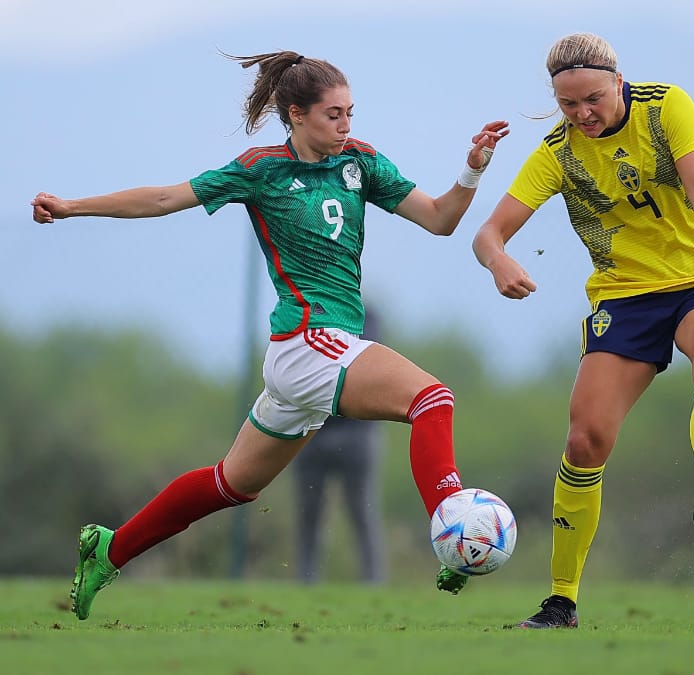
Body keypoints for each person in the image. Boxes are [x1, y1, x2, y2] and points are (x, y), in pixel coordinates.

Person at [31, 50, 509, 620]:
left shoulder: (360, 162)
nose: (346, 126)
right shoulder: (261, 169)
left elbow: (440, 219)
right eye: (334, 115)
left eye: (351, 113)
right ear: (296, 114)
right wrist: (71, 206)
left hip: (311, 357)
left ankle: (110, 549)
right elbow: (163, 199)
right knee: (432, 399)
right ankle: (451, 535)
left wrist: (472, 169)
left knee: (229, 486)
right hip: (310, 344)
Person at [469, 33, 694, 628]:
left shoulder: (667, 108)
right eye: (569, 105)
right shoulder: (557, 153)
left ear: (618, 81)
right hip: (625, 298)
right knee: (585, 442)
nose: (583, 115)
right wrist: (500, 262)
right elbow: (488, 233)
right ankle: (561, 601)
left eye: (593, 99)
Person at [292, 308, 385, 584]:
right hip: (310, 430)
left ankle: (373, 583)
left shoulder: (368, 316)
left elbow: (361, 366)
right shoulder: (302, 312)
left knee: (362, 511)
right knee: (309, 513)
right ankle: (306, 581)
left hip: (357, 433)